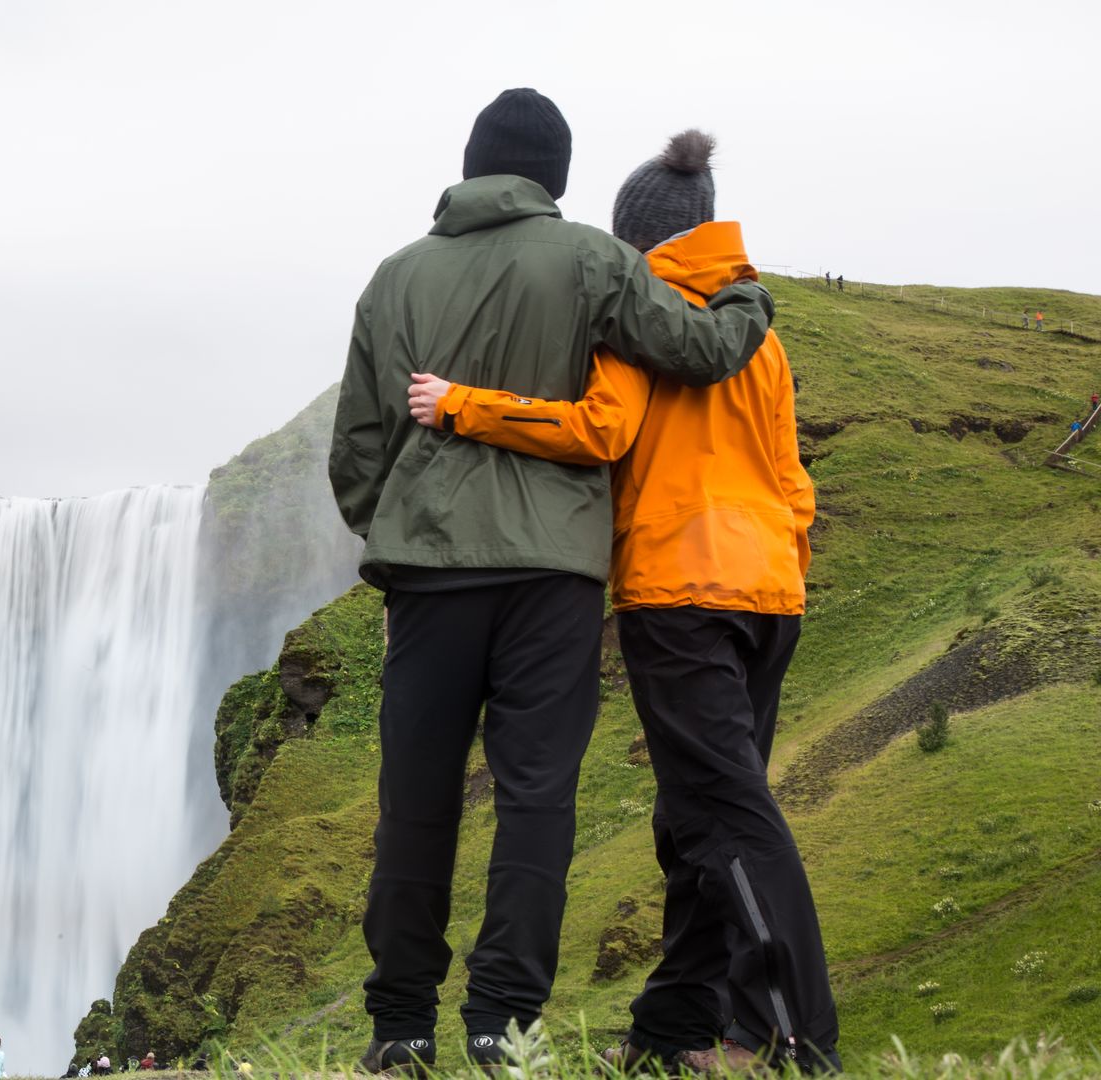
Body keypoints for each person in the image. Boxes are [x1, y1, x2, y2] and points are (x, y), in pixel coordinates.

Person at [329, 88, 775, 1076]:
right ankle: (503, 1023)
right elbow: (699, 352)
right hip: (554, 580)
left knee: (416, 798)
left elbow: (358, 443)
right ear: (556, 180)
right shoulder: (591, 262)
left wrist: (395, 522)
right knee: (535, 797)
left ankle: (399, 1026)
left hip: (430, 575)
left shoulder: (394, 277)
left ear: (473, 162)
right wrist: (747, 296)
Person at [410, 130, 841, 1073]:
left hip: (681, 593)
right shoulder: (753, 326)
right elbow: (790, 476)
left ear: (634, 238)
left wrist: (459, 405)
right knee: (696, 813)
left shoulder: (638, 314)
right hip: (770, 593)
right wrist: (786, 564)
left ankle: (793, 1037)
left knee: (725, 816)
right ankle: (674, 1029)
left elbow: (601, 430)